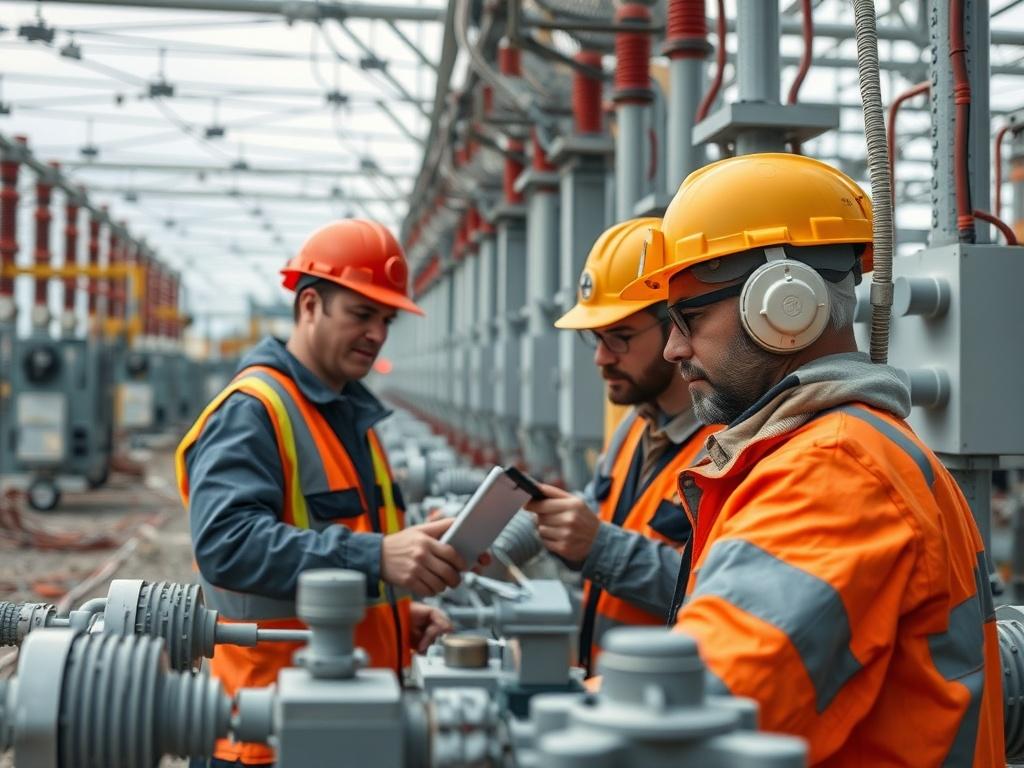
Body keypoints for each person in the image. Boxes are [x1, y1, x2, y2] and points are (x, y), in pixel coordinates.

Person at [621, 153, 1003, 765]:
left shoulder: (836, 468)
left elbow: (707, 706)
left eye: (689, 318)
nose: (673, 348)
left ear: (782, 305)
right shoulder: (843, 448)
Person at [177, 219, 464, 767]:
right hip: (263, 735)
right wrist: (379, 557)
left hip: (341, 720)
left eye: (386, 318)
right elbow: (226, 544)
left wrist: (398, 617)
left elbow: (335, 555)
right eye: (361, 314)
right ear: (309, 305)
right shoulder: (254, 410)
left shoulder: (346, 413)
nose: (377, 333)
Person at [524, 217, 718, 674]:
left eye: (620, 338)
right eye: (596, 339)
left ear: (677, 326)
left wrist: (599, 546)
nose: (601, 358)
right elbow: (598, 512)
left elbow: (719, 591)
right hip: (613, 693)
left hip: (668, 703)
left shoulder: (727, 446)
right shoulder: (635, 425)